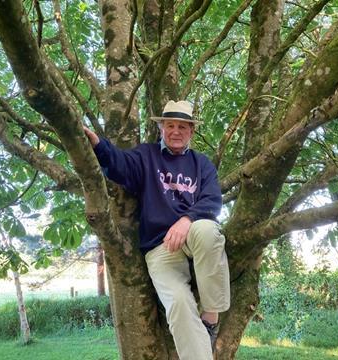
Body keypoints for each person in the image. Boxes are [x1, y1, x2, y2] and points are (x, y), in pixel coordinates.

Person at [84, 100, 230, 360]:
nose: (176, 131)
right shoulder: (146, 156)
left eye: (182, 126)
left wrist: (186, 220)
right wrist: (98, 144)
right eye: (170, 125)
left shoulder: (202, 164)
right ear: (162, 128)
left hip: (193, 234)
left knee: (208, 231)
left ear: (191, 131)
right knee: (179, 305)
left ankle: (212, 315)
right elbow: (120, 163)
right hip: (160, 247)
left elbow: (212, 200)